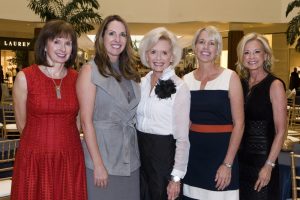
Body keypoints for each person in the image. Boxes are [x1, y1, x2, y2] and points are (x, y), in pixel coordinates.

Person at [11, 20, 87, 199]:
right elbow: (22, 125)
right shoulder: (25, 77)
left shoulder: (78, 79)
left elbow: (78, 122)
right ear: (45, 45)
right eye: (57, 41)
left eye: (68, 43)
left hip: (69, 157)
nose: (63, 48)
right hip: (34, 158)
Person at [76, 15, 141, 200]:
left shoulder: (131, 72)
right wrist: (98, 164)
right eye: (112, 33)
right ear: (102, 37)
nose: (117, 39)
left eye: (122, 34)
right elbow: (86, 121)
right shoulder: (90, 71)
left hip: (131, 160)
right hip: (103, 158)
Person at [182, 26, 244, 200]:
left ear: (218, 49)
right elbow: (184, 123)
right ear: (195, 47)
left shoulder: (231, 78)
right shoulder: (185, 80)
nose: (206, 47)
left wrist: (228, 164)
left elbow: (239, 124)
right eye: (201, 42)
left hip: (222, 156)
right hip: (193, 158)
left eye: (212, 43)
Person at [136, 27, 190, 200]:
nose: (158, 58)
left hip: (164, 160)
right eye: (153, 52)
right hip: (140, 158)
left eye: (164, 53)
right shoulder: (140, 83)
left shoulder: (180, 87)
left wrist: (176, 178)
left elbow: (182, 138)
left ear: (172, 56)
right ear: (146, 54)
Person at [237, 33, 287, 200]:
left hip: (263, 164)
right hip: (241, 163)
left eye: (256, 52)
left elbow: (281, 131)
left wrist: (269, 165)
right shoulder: (240, 84)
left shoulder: (275, 85)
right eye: (246, 52)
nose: (251, 57)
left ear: (265, 55)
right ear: (241, 56)